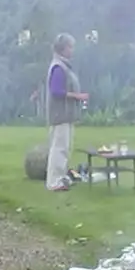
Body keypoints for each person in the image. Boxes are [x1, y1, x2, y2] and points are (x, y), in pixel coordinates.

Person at [45, 33, 88, 192]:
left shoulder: (63, 65)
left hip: (66, 115)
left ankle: (60, 178)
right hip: (60, 115)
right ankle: (54, 182)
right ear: (62, 48)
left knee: (65, 148)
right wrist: (78, 96)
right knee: (59, 148)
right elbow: (56, 91)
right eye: (70, 47)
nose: (72, 50)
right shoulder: (58, 67)